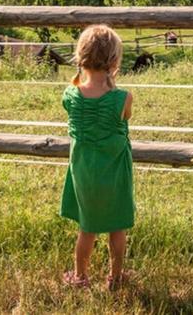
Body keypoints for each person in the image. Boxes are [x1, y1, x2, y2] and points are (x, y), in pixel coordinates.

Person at [60, 24, 135, 291]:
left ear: (81, 56)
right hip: (114, 171)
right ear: (114, 60)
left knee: (87, 227)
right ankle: (115, 277)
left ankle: (80, 276)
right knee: (117, 227)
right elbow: (124, 118)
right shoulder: (123, 98)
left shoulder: (70, 95)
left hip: (84, 173)